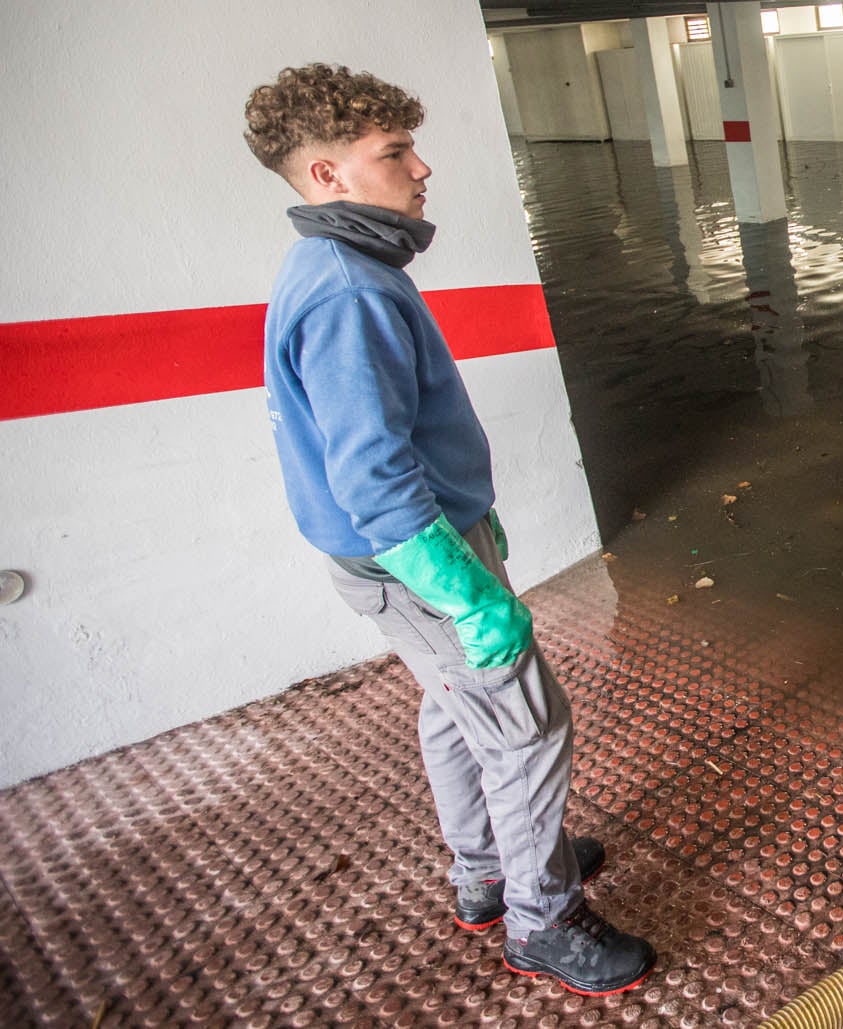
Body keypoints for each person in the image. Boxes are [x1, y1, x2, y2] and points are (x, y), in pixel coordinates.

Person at [245, 63, 654, 996]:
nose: (422, 168)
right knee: (524, 725)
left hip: (393, 551)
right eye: (393, 153)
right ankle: (543, 923)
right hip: (410, 558)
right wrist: (466, 591)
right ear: (327, 177)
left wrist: (472, 516)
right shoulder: (351, 289)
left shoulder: (329, 263)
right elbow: (375, 478)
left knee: (452, 706)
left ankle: (484, 875)